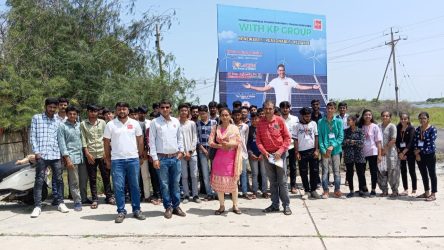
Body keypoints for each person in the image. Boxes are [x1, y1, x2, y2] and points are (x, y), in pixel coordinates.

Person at [104, 102, 146, 223]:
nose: (122, 111)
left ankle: (137, 210)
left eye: (124, 109)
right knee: (118, 187)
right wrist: (107, 158)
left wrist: (141, 154)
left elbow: (140, 140)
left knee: (135, 186)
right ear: (116, 111)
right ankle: (121, 211)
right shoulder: (110, 125)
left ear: (128, 110)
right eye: (119, 109)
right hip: (117, 161)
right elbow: (106, 143)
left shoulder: (134, 123)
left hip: (133, 159)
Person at [30, 98, 68, 218]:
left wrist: (62, 154)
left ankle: (61, 203)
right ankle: (37, 206)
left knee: (59, 179)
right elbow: (32, 136)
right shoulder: (37, 118)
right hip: (42, 155)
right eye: (50, 107)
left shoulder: (58, 121)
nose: (52, 109)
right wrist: (36, 152)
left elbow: (61, 139)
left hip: (55, 155)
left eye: (54, 107)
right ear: (45, 106)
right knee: (40, 180)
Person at [149, 100, 186, 219]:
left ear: (170, 108)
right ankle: (168, 207)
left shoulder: (176, 121)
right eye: (162, 107)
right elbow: (152, 142)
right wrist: (155, 158)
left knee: (175, 183)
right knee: (164, 184)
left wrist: (181, 151)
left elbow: (180, 138)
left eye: (167, 107)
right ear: (159, 109)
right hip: (162, 158)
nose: (165, 109)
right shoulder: (155, 122)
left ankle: (176, 206)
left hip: (175, 158)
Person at [256, 100, 292, 215]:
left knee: (282, 181)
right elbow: (258, 141)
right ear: (263, 109)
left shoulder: (279, 120)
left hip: (279, 155)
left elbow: (287, 138)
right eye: (266, 108)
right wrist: (264, 152)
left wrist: (280, 151)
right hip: (267, 156)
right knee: (272, 181)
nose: (268, 111)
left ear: (273, 109)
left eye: (270, 108)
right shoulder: (260, 123)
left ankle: (286, 205)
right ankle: (274, 204)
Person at [208, 108, 243, 215]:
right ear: (220, 116)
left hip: (231, 160)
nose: (224, 117)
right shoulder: (215, 128)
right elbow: (210, 142)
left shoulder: (234, 128)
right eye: (222, 115)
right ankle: (222, 206)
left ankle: (235, 205)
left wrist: (229, 145)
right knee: (219, 185)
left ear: (230, 115)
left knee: (233, 184)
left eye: (226, 115)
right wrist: (220, 146)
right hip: (218, 160)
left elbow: (238, 142)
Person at [81, 104, 115, 208]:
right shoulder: (83, 124)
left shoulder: (103, 123)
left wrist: (106, 152)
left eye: (95, 111)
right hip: (91, 154)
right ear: (88, 112)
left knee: (106, 176)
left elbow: (106, 138)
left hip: (102, 153)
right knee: (92, 177)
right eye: (91, 111)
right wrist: (87, 154)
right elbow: (83, 139)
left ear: (97, 112)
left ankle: (109, 196)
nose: (93, 113)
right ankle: (95, 199)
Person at [243, 64, 320, 105]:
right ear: (277, 71)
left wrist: (312, 87)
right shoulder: (274, 81)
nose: (281, 72)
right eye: (280, 70)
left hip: (288, 107)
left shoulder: (289, 80)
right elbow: (264, 89)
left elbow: (300, 87)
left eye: (283, 70)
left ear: (285, 71)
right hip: (278, 107)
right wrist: (251, 87)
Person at [57, 105, 84, 212]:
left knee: (83, 180)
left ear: (77, 115)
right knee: (74, 182)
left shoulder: (79, 125)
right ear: (67, 115)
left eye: (74, 114)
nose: (72, 115)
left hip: (81, 157)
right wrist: (67, 159)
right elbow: (62, 143)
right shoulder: (62, 126)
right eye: (70, 114)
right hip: (71, 157)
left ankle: (84, 198)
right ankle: (77, 202)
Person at [318, 102, 344, 199]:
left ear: (334, 110)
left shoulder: (339, 121)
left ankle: (337, 190)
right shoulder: (320, 122)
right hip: (324, 150)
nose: (330, 110)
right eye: (328, 108)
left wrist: (332, 146)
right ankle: (325, 191)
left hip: (336, 150)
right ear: (326, 109)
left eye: (332, 108)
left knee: (336, 171)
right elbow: (320, 137)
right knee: (325, 171)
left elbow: (341, 137)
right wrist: (324, 150)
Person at [294, 107, 320, 199]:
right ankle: (307, 191)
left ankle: (313, 190)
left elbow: (316, 136)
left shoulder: (313, 123)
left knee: (314, 171)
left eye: (309, 116)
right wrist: (296, 152)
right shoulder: (297, 126)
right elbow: (295, 140)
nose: (308, 117)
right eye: (306, 116)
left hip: (312, 150)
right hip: (302, 152)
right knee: (303, 172)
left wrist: (317, 150)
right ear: (302, 116)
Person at [178, 104, 201, 203]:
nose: (184, 112)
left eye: (185, 110)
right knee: (184, 176)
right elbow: (177, 139)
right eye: (182, 110)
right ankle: (186, 195)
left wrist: (190, 151)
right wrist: (183, 152)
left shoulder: (192, 123)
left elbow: (195, 138)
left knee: (194, 175)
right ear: (179, 111)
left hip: (192, 153)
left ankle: (195, 195)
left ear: (188, 112)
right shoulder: (176, 123)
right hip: (181, 154)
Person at [358, 109, 382, 198]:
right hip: (362, 153)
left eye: (369, 115)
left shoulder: (375, 126)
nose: (368, 116)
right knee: (361, 172)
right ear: (363, 116)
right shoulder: (360, 127)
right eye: (366, 115)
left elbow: (378, 141)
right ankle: (363, 188)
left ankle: (373, 189)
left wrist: (379, 154)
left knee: (373, 172)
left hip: (373, 152)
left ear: (371, 116)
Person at [414, 112, 438, 201]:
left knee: (432, 174)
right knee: (424, 174)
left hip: (430, 155)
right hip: (420, 156)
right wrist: (417, 154)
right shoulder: (417, 130)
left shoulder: (432, 129)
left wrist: (419, 150)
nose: (422, 120)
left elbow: (430, 143)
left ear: (428, 119)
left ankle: (433, 194)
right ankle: (426, 192)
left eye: (424, 118)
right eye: (420, 118)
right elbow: (415, 142)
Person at [342, 114, 366, 198]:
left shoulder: (360, 131)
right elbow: (343, 142)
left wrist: (351, 141)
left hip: (359, 154)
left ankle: (361, 190)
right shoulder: (345, 131)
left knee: (361, 173)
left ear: (354, 121)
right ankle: (351, 190)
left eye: (349, 120)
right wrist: (355, 142)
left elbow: (362, 142)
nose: (348, 122)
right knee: (349, 173)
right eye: (347, 120)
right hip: (349, 155)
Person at [196, 105, 217, 200]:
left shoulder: (214, 122)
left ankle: (216, 192)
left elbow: (216, 137)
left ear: (207, 113)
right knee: (205, 173)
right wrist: (203, 149)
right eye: (200, 114)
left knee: (215, 172)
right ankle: (209, 193)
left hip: (213, 149)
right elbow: (196, 139)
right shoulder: (197, 123)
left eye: (203, 113)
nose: (202, 115)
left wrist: (211, 148)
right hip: (202, 150)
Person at [378, 111, 400, 197]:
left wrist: (385, 149)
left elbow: (393, 139)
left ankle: (395, 190)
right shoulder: (378, 126)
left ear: (390, 117)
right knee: (381, 171)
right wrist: (380, 151)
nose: (385, 117)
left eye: (387, 116)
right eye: (383, 116)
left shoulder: (392, 126)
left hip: (391, 153)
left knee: (393, 171)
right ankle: (384, 190)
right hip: (380, 153)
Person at [247, 112, 268, 199]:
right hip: (253, 155)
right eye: (252, 119)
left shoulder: (262, 128)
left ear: (259, 119)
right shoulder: (248, 129)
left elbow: (266, 142)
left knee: (264, 173)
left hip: (262, 154)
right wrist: (250, 153)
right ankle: (255, 191)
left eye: (256, 119)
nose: (254, 121)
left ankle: (265, 191)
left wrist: (263, 154)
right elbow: (247, 143)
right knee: (255, 173)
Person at [280, 101, 299, 194]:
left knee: (293, 167)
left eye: (287, 107)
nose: (285, 109)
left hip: (292, 146)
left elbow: (298, 132)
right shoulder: (277, 119)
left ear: (289, 108)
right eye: (283, 107)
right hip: (281, 147)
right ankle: (282, 186)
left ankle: (293, 186)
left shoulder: (295, 119)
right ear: (280, 109)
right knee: (281, 168)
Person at [396, 113, 417, 196]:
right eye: (402, 119)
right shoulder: (398, 128)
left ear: (408, 119)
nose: (403, 120)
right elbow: (397, 141)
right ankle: (405, 189)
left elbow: (411, 142)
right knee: (403, 171)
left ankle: (414, 189)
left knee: (412, 171)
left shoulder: (411, 128)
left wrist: (404, 152)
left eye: (405, 119)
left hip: (410, 153)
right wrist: (399, 153)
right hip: (401, 153)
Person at [232, 109, 251, 200]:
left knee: (243, 172)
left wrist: (242, 148)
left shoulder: (245, 126)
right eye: (235, 115)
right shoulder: (230, 126)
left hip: (242, 152)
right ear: (232, 116)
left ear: (241, 116)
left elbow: (245, 139)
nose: (237, 117)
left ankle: (244, 192)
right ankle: (233, 191)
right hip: (232, 152)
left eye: (238, 115)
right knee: (234, 173)